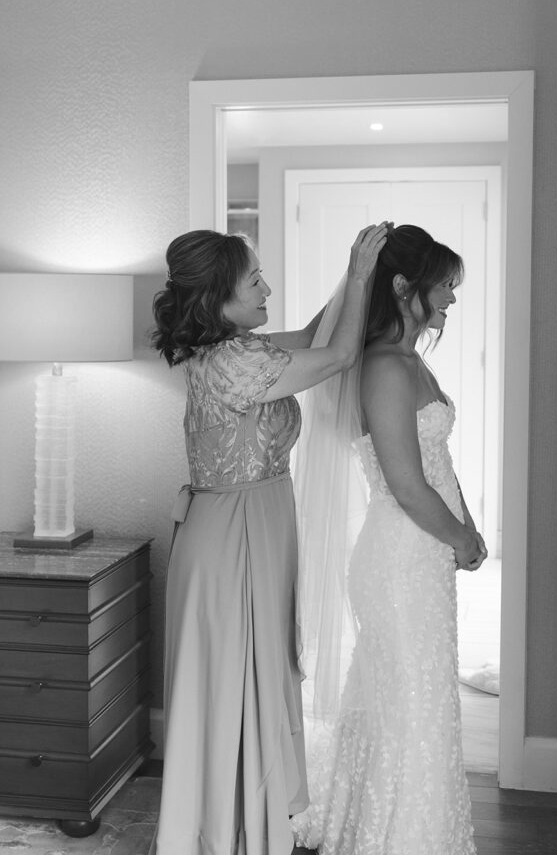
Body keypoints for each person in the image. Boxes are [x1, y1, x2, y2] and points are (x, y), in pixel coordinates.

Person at [149, 222, 388, 855]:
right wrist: (362, 275)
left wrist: (351, 272)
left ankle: (248, 819)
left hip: (254, 522)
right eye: (253, 280)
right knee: (234, 676)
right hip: (233, 537)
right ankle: (228, 828)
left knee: (255, 670)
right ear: (217, 298)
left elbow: (315, 336)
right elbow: (336, 356)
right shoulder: (235, 360)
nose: (268, 287)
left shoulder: (237, 346)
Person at [292, 224, 487, 855]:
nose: (452, 300)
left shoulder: (410, 361)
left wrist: (468, 527)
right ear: (405, 287)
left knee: (415, 697)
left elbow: (437, 461)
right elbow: (406, 484)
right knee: (412, 701)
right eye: (444, 287)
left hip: (421, 557)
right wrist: (458, 537)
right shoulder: (381, 367)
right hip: (400, 559)